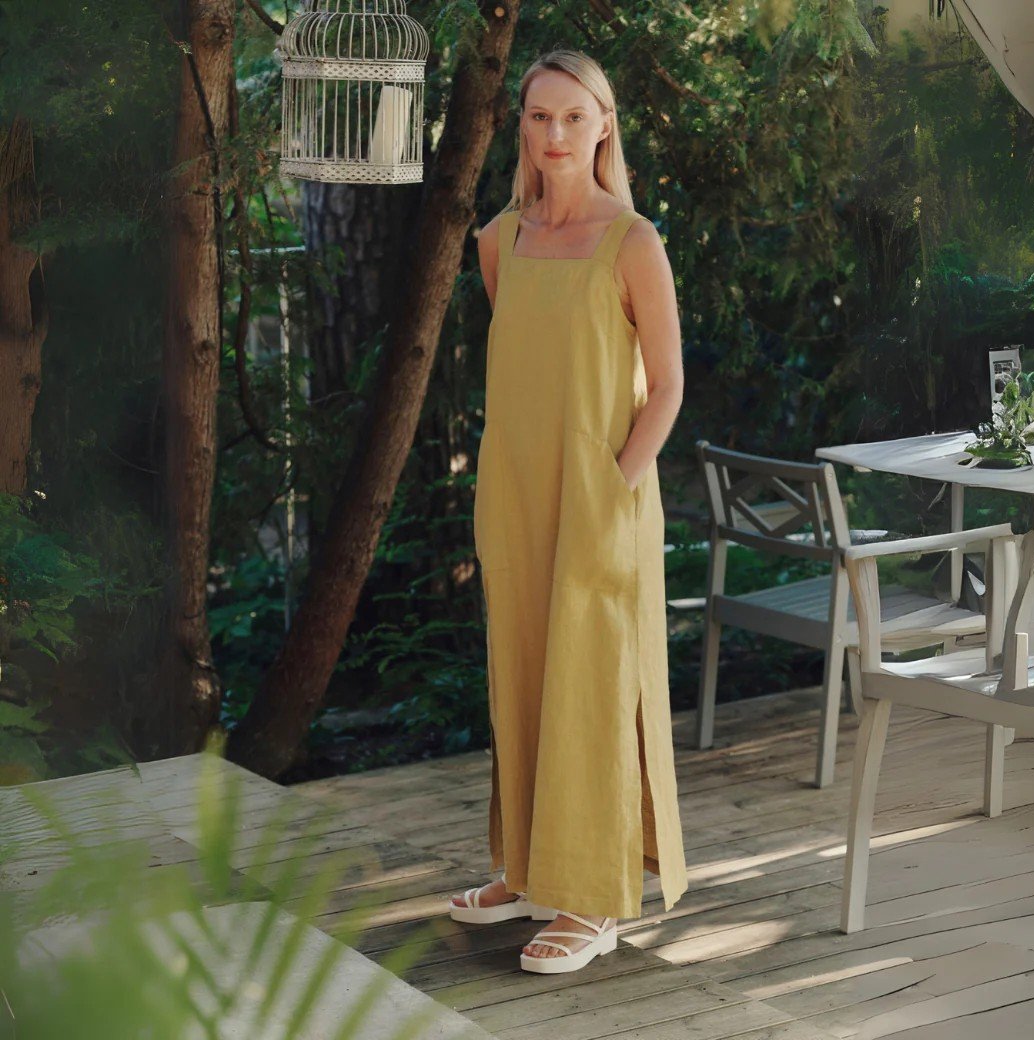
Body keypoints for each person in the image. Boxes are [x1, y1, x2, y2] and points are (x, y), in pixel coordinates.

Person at [448, 49, 688, 975]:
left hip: (604, 500)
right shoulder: (497, 243)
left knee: (591, 685)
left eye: (572, 119)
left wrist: (615, 486)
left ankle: (592, 898)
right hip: (514, 497)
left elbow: (664, 389)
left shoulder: (634, 242)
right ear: (524, 129)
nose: (554, 137)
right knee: (522, 670)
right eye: (539, 118)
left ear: (604, 125)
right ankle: (526, 868)